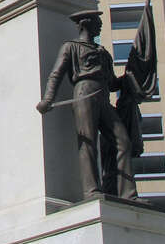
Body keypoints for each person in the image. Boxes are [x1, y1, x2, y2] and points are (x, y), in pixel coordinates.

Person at [36, 10, 138, 201]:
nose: (100, 25)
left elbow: (113, 82)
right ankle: (91, 190)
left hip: (103, 96)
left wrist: (131, 76)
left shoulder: (103, 52)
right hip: (84, 94)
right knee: (88, 141)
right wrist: (48, 99)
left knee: (123, 141)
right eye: (96, 22)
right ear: (85, 24)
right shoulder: (71, 47)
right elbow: (56, 74)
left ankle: (128, 193)